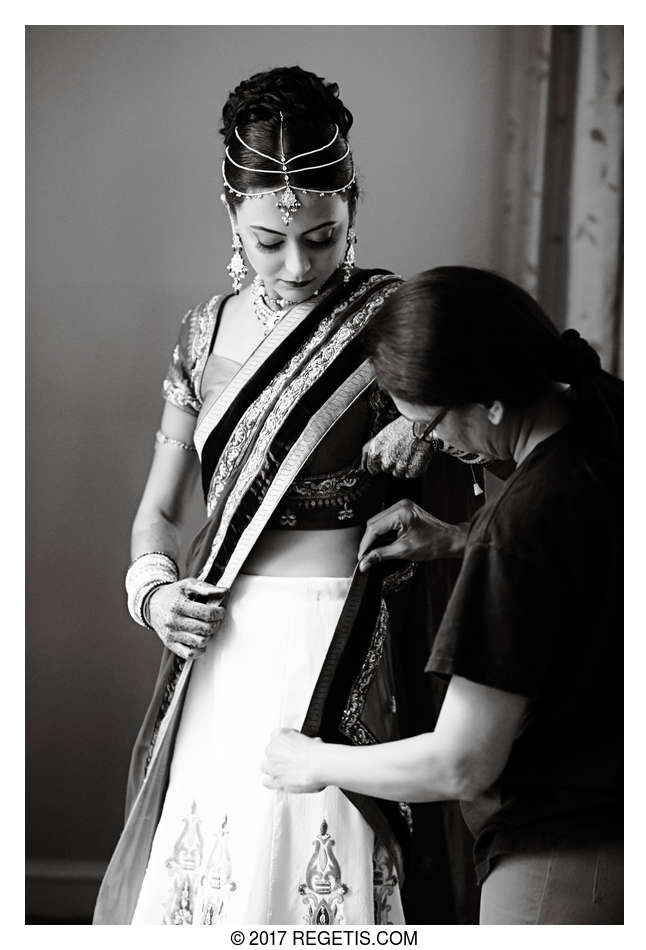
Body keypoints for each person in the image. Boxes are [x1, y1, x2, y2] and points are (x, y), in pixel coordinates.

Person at [93, 70, 479, 926]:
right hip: (221, 642)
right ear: (231, 214)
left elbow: (497, 446)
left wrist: (426, 422)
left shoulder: (392, 319)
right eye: (271, 241)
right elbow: (160, 511)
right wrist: (153, 594)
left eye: (323, 237)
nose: (300, 263)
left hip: (346, 639)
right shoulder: (201, 335)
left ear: (351, 209)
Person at [263, 266, 623, 925]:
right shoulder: (606, 421)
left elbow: (461, 763)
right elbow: (589, 567)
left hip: (566, 855)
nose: (430, 444)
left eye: (428, 426)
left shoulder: (525, 519)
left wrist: (312, 760)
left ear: (488, 399)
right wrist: (462, 538)